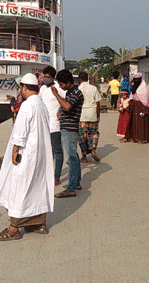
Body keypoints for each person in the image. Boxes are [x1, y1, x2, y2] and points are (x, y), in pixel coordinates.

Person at [0, 73, 54, 240]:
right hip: (40, 154)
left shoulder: (27, 106)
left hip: (27, 154)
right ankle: (39, 223)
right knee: (37, 186)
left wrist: (14, 151)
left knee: (21, 187)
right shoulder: (41, 104)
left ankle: (14, 228)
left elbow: (20, 132)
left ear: (24, 87)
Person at [51, 69, 83, 198]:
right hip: (68, 128)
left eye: (62, 84)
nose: (60, 86)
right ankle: (75, 183)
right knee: (74, 157)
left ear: (68, 82)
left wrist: (56, 95)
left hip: (69, 130)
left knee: (70, 159)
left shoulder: (75, 93)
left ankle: (71, 188)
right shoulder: (70, 92)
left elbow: (68, 106)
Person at [39, 66, 67, 185]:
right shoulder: (43, 89)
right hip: (44, 124)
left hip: (55, 125)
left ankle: (56, 177)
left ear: (53, 77)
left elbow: (67, 102)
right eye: (44, 77)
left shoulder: (59, 89)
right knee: (47, 152)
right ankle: (48, 174)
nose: (45, 79)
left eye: (48, 77)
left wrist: (62, 112)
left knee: (57, 150)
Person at [77, 72, 102, 163]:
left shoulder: (78, 89)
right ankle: (93, 149)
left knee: (83, 137)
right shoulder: (93, 88)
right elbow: (98, 103)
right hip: (92, 115)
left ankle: (84, 156)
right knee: (94, 133)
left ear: (79, 79)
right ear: (87, 79)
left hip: (82, 116)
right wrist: (98, 115)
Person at [124, 73, 149, 144]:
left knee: (141, 122)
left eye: (137, 79)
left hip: (142, 107)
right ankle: (134, 137)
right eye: (135, 79)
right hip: (134, 107)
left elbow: (145, 99)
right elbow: (132, 96)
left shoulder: (143, 87)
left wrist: (144, 108)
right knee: (134, 122)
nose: (136, 81)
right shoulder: (134, 87)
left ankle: (142, 139)